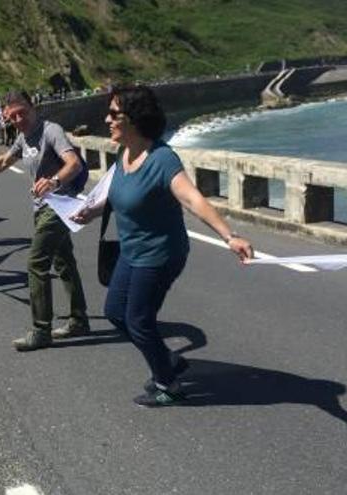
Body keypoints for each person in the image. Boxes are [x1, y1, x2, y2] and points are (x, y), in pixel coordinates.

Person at [71, 85, 254, 407]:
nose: (107, 119)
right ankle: (167, 360)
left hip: (159, 254)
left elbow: (192, 198)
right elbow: (120, 196)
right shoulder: (122, 153)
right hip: (131, 250)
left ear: (135, 119)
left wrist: (229, 235)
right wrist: (92, 211)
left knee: (139, 320)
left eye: (114, 114)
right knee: (115, 312)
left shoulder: (162, 159)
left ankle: (168, 383)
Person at [0, 90, 90, 351]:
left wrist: (53, 182)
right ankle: (78, 319)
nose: (18, 120)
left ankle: (41, 330)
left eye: (22, 113)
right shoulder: (23, 136)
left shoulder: (51, 131)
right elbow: (4, 161)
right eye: (12, 117)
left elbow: (73, 163)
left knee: (36, 262)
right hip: (42, 208)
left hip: (59, 206)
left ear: (33, 108)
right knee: (64, 262)